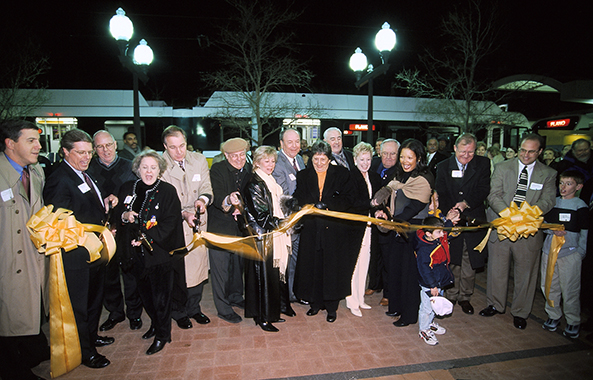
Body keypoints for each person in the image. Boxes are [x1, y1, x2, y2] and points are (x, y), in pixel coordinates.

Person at [43, 129, 118, 368]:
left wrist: (104, 203)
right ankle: (86, 352)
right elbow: (59, 223)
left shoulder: (85, 173)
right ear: (65, 151)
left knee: (94, 301)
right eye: (81, 153)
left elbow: (87, 204)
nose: (86, 157)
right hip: (77, 255)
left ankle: (91, 337)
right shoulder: (59, 178)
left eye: (89, 152)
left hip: (94, 252)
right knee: (81, 305)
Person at [480, 134, 557, 330]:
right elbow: (493, 194)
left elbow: (548, 200)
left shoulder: (548, 173)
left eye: (531, 151)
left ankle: (521, 312)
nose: (525, 155)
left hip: (528, 231)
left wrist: (527, 216)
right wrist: (508, 215)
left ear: (540, 152)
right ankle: (495, 305)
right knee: (497, 269)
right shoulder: (502, 167)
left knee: (526, 274)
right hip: (502, 227)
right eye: (523, 150)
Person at [117, 150, 185, 355]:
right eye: (144, 167)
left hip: (158, 254)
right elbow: (118, 215)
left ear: (160, 170)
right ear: (137, 169)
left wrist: (145, 237)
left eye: (153, 167)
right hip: (135, 254)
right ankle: (155, 324)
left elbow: (170, 223)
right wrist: (124, 214)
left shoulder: (167, 191)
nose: (148, 171)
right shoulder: (128, 188)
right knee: (145, 295)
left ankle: (163, 335)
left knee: (161, 298)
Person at [0, 120, 49, 380]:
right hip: (7, 261)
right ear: (10, 143)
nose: (38, 146)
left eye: (37, 140)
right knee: (7, 314)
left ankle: (32, 351)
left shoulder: (36, 172)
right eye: (30, 140)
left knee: (27, 308)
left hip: (31, 257)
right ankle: (13, 370)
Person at [293, 140, 358, 322]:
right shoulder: (303, 175)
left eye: (323, 159)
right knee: (313, 267)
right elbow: (299, 195)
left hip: (334, 231)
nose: (319, 163)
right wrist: (303, 204)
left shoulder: (342, 174)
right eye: (316, 159)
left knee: (332, 269)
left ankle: (331, 308)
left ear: (329, 159)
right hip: (312, 229)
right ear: (311, 158)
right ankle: (315, 304)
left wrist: (328, 205)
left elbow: (349, 198)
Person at [372, 138, 433, 327]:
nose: (405, 161)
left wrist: (391, 223)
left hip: (413, 232)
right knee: (395, 269)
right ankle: (396, 307)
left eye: (410, 157)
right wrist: (383, 211)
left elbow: (412, 209)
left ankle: (409, 315)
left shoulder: (424, 179)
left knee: (409, 275)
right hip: (399, 231)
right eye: (403, 157)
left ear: (419, 158)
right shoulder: (400, 176)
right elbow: (393, 200)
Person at [88, 131, 142, 333]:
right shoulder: (89, 170)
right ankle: (115, 312)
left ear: (115, 145)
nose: (106, 150)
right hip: (101, 231)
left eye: (109, 145)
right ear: (95, 150)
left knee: (130, 272)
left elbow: (139, 195)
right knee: (108, 274)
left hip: (127, 229)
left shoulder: (129, 166)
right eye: (100, 147)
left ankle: (134, 313)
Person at [160, 126, 213, 329]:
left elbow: (206, 186)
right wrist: (184, 213)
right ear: (165, 147)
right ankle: (178, 311)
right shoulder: (160, 165)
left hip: (198, 220)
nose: (179, 151)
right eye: (173, 147)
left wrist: (202, 200)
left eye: (182, 145)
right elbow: (164, 200)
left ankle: (194, 308)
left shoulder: (198, 160)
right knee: (179, 270)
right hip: (175, 222)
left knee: (199, 268)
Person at [435, 133, 491, 315]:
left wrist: (465, 204)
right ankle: (451, 293)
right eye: (463, 152)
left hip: (472, 215)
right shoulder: (443, 166)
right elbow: (441, 192)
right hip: (452, 217)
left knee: (470, 259)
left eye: (471, 152)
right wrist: (450, 213)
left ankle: (465, 296)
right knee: (453, 257)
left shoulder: (483, 164)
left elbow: (483, 190)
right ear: (455, 149)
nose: (466, 156)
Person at [242, 146, 294, 332]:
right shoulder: (255, 183)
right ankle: (263, 318)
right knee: (262, 279)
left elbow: (277, 204)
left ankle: (271, 313)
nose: (270, 165)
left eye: (273, 161)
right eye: (266, 161)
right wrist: (286, 223)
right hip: (261, 238)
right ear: (257, 162)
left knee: (271, 277)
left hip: (270, 235)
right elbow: (262, 216)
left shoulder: (269, 180)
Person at [208, 137, 252, 323]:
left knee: (236, 267)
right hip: (220, 227)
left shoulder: (249, 170)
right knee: (221, 270)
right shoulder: (217, 169)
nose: (239, 158)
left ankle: (235, 297)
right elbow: (217, 195)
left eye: (242, 154)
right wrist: (228, 201)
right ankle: (223, 308)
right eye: (234, 156)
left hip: (239, 229)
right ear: (226, 156)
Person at [540, 170, 588, 338]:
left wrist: (580, 251)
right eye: (561, 183)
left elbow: (584, 230)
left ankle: (573, 320)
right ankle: (553, 315)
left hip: (570, 254)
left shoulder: (580, 206)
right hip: (549, 251)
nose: (563, 187)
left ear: (578, 186)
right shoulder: (553, 203)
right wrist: (551, 230)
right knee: (549, 285)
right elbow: (544, 224)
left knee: (570, 288)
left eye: (569, 184)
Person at [345, 142, 381, 317]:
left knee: (365, 262)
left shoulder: (373, 177)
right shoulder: (350, 176)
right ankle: (351, 301)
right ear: (355, 159)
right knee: (354, 263)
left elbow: (378, 200)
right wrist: (371, 204)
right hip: (355, 227)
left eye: (368, 159)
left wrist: (378, 209)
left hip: (369, 227)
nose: (365, 163)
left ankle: (360, 298)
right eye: (362, 159)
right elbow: (351, 203)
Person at [271, 128, 305, 305]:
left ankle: (296, 290)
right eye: (289, 142)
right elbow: (284, 194)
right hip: (288, 220)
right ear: (281, 144)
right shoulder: (277, 163)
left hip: (301, 219)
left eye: (297, 141)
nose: (294, 145)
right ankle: (289, 295)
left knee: (298, 258)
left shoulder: (299, 159)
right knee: (288, 259)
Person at [416, 215, 458, 346]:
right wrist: (432, 286)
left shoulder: (438, 239)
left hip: (439, 281)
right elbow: (425, 270)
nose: (442, 234)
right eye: (439, 232)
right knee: (427, 307)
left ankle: (430, 322)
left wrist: (450, 221)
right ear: (428, 233)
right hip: (430, 284)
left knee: (435, 304)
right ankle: (424, 329)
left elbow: (446, 231)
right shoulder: (425, 249)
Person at [368, 138, 400, 306]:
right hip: (373, 217)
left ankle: (388, 292)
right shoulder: (373, 164)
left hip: (389, 219)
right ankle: (374, 284)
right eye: (385, 153)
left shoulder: (400, 171)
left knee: (388, 257)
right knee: (375, 253)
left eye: (392, 154)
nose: (388, 157)